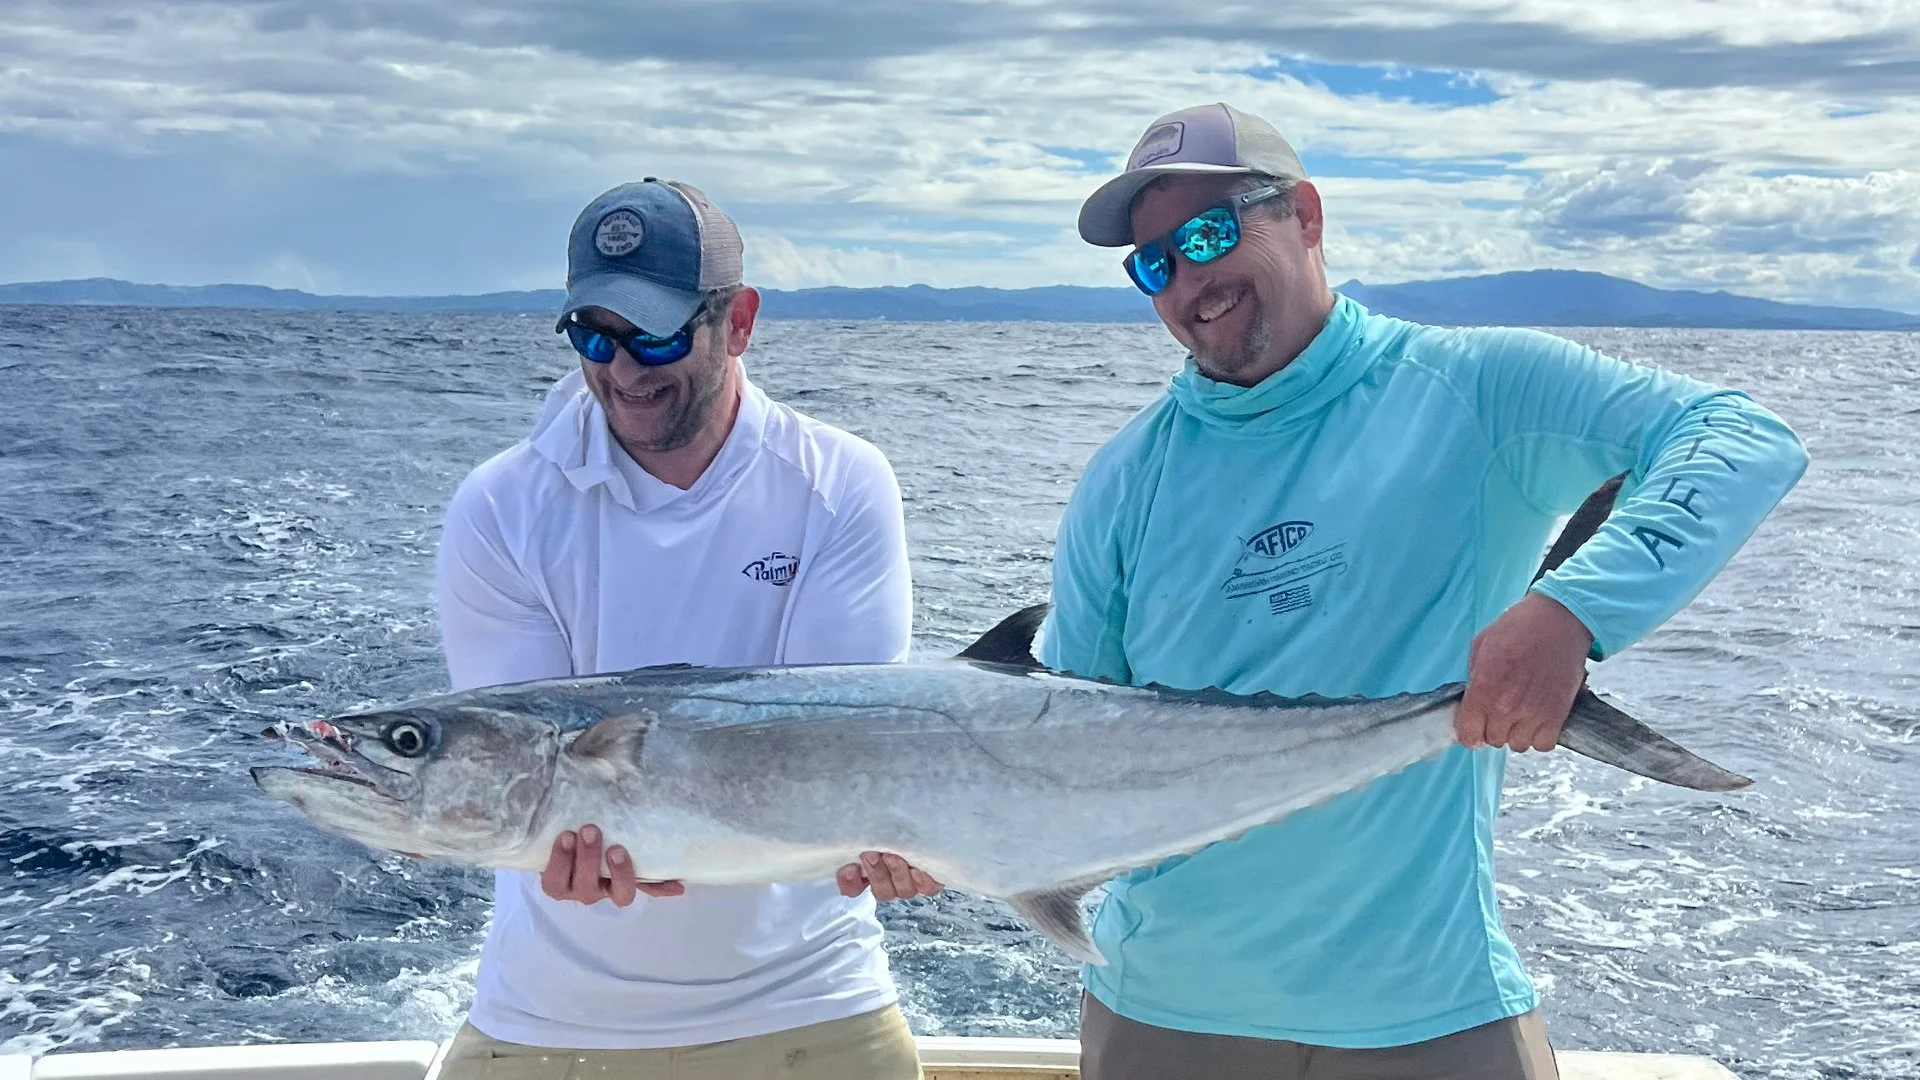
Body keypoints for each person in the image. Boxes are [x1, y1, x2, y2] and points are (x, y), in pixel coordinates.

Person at [1039, 102, 1810, 1079]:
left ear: (1306, 216)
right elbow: (1059, 747)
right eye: (1155, 264)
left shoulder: (1478, 387)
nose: (1188, 281)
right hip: (1161, 1017)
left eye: (1209, 234)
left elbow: (1741, 437)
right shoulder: (1123, 477)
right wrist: (924, 831)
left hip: (1430, 1016)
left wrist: (1573, 611)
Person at [430, 178, 928, 1080]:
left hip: (811, 996)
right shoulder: (500, 507)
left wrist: (919, 839)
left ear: (738, 321)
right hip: (553, 1012)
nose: (623, 371)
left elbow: (845, 746)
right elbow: (524, 775)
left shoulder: (839, 483)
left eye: (657, 334)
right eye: (595, 335)